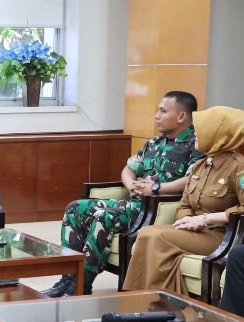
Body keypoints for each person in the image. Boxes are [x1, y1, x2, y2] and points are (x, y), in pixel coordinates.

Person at [43, 91, 202, 297]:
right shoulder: (154, 142)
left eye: (163, 111)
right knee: (75, 208)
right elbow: (128, 169)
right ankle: (68, 279)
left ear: (181, 116)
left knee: (104, 216)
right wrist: (133, 185)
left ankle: (83, 283)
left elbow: (194, 180)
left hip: (155, 209)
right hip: (133, 203)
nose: (156, 115)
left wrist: (155, 189)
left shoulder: (195, 145)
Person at [122, 106, 244, 292]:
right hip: (193, 230)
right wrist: (186, 220)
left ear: (219, 134)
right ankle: (139, 300)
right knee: (146, 233)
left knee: (156, 236)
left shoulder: (240, 168)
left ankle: (157, 304)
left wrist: (206, 219)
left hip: (219, 236)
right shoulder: (200, 165)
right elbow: (185, 204)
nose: (195, 133)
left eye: (203, 129)